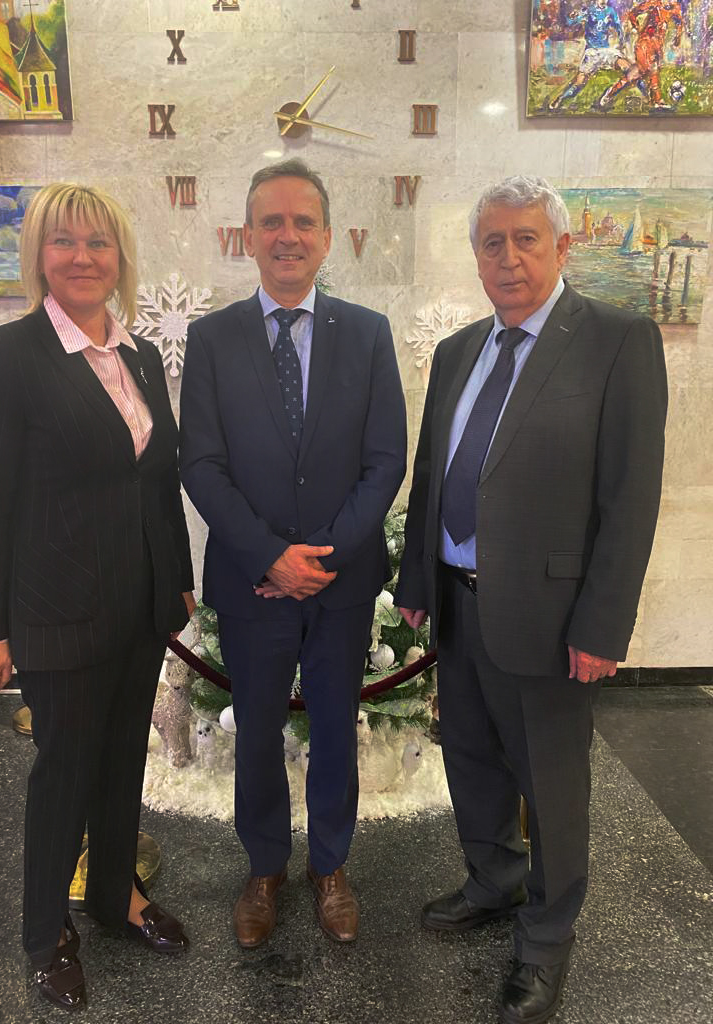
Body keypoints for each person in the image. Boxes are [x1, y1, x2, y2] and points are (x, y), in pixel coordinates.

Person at [395, 176, 667, 1024]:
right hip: (458, 604)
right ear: (476, 254)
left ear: (562, 246)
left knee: (551, 785)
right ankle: (493, 881)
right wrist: (416, 580)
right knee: (471, 758)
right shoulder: (457, 351)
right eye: (492, 242)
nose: (508, 257)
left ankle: (546, 938)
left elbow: (630, 497)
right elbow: (433, 473)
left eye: (525, 239)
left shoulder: (617, 340)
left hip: (551, 620)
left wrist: (603, 624)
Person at [0, 184, 196, 1012]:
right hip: (57, 608)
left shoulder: (138, 355)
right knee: (65, 769)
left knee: (124, 757)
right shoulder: (7, 354)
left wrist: (178, 579)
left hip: (140, 603)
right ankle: (44, 930)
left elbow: (157, 480)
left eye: (99, 243)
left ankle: (114, 894)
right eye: (64, 242)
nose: (83, 257)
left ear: (121, 258)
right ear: (39, 255)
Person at [180, 159, 407, 948]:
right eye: (271, 221)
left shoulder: (368, 334)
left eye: (302, 221)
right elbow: (201, 463)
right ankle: (264, 869)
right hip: (253, 584)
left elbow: (386, 459)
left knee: (337, 728)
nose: (287, 236)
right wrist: (272, 557)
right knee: (256, 734)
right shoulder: (211, 339)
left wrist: (324, 558)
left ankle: (331, 867)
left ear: (327, 236)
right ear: (248, 236)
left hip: (341, 587)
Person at [597, 0, 684, 110]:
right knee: (652, 69)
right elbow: (633, 13)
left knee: (634, 74)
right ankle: (658, 101)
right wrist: (637, 27)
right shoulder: (654, 3)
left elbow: (679, 22)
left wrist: (678, 37)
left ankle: (610, 93)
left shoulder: (675, 7)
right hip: (645, 44)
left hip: (657, 46)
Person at [548, 0, 631, 111]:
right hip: (592, 52)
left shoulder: (610, 11)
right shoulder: (589, 10)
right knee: (579, 83)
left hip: (606, 50)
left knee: (629, 69)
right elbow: (571, 22)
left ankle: (609, 94)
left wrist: (622, 41)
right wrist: (571, 17)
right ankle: (560, 98)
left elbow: (618, 26)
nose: (603, 1)